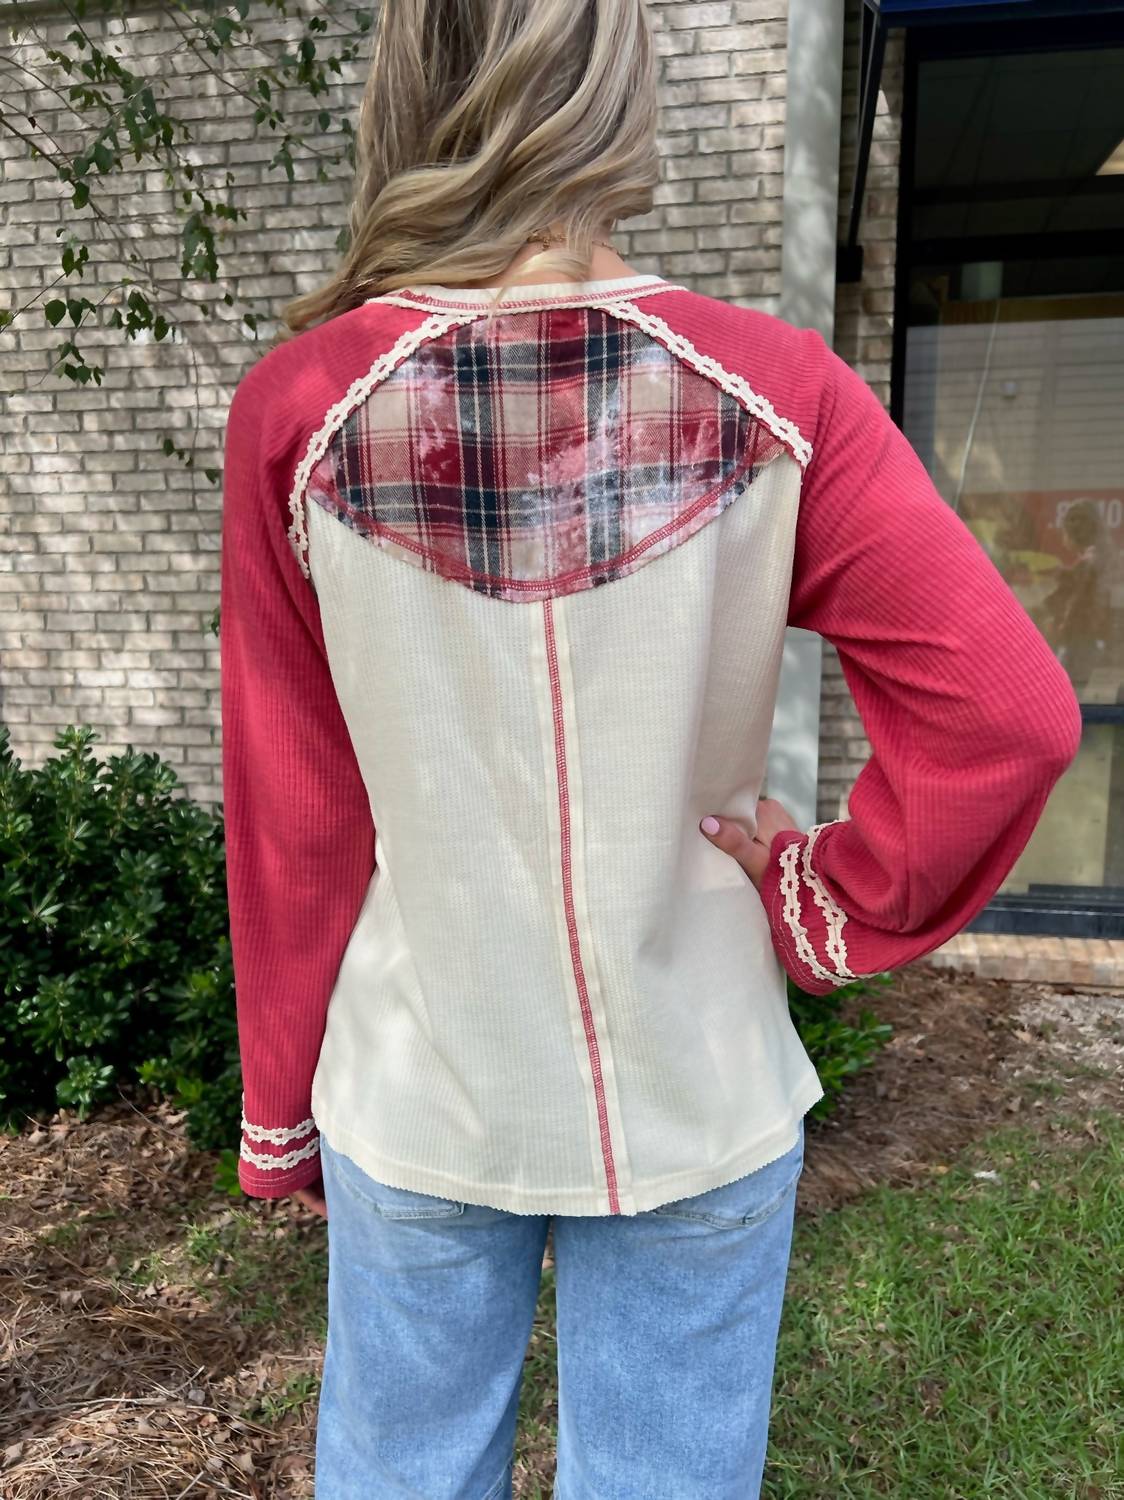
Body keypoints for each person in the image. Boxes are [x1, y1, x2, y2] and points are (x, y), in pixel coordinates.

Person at [218, 2, 1083, 1496]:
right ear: (623, 97)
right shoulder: (780, 392)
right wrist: (825, 894)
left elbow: (293, 815)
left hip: (420, 1082)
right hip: (696, 1078)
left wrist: (279, 1113)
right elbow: (1006, 715)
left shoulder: (299, 415)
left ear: (403, 92)